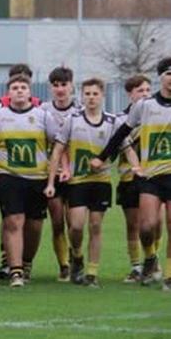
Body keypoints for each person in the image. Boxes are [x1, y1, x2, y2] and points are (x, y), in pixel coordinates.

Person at [45, 78, 139, 287]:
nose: (91, 98)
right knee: (76, 226)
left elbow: (128, 149)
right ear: (82, 96)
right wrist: (51, 182)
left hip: (101, 181)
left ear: (102, 95)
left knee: (96, 226)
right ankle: (77, 255)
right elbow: (58, 150)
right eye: (87, 94)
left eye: (95, 94)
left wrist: (137, 168)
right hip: (78, 181)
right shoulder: (72, 119)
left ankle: (92, 273)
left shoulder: (113, 121)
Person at [91, 57, 171, 291]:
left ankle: (168, 275)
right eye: (168, 73)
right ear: (161, 77)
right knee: (146, 226)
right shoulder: (145, 106)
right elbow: (120, 133)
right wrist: (102, 157)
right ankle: (150, 258)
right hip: (150, 176)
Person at [0, 73, 57, 287]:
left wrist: (60, 167)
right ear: (8, 93)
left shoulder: (43, 116)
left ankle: (26, 262)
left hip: (37, 178)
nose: (19, 91)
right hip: (8, 176)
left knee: (34, 226)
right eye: (15, 87)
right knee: (14, 221)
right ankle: (15, 272)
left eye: (23, 87)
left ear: (30, 91)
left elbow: (59, 144)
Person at [115, 75, 160, 283]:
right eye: (140, 91)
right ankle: (136, 266)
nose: (145, 94)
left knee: (153, 223)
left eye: (147, 90)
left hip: (154, 176)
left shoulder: (157, 115)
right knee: (133, 224)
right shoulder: (121, 120)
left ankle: (152, 261)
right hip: (129, 178)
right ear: (130, 94)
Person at [40, 66, 79, 282]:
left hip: (76, 174)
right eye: (55, 85)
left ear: (72, 85)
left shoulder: (80, 110)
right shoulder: (44, 111)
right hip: (51, 174)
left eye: (64, 85)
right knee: (57, 222)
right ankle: (63, 265)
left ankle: (76, 258)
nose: (60, 89)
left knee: (75, 223)